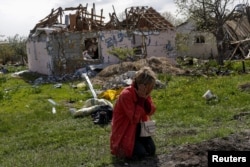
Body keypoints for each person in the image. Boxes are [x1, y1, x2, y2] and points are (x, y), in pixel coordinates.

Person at [110, 66, 157, 159]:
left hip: (139, 128)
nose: (150, 90)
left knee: (151, 150)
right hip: (126, 129)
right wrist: (141, 100)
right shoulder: (126, 95)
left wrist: (144, 99)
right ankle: (121, 148)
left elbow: (151, 111)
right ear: (141, 85)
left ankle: (138, 143)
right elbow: (134, 118)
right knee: (140, 154)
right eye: (149, 87)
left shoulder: (144, 94)